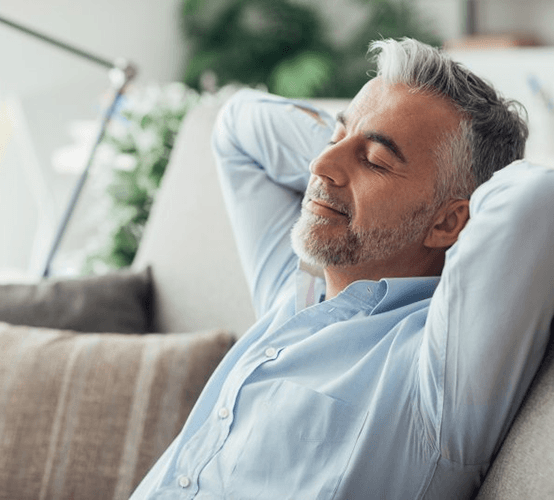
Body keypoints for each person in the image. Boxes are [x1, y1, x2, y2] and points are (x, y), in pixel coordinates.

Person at [131, 38, 554, 499]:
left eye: (375, 161)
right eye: (335, 137)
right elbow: (237, 125)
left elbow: (535, 199)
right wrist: (358, 148)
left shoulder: (437, 376)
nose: (318, 164)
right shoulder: (293, 296)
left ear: (449, 221)